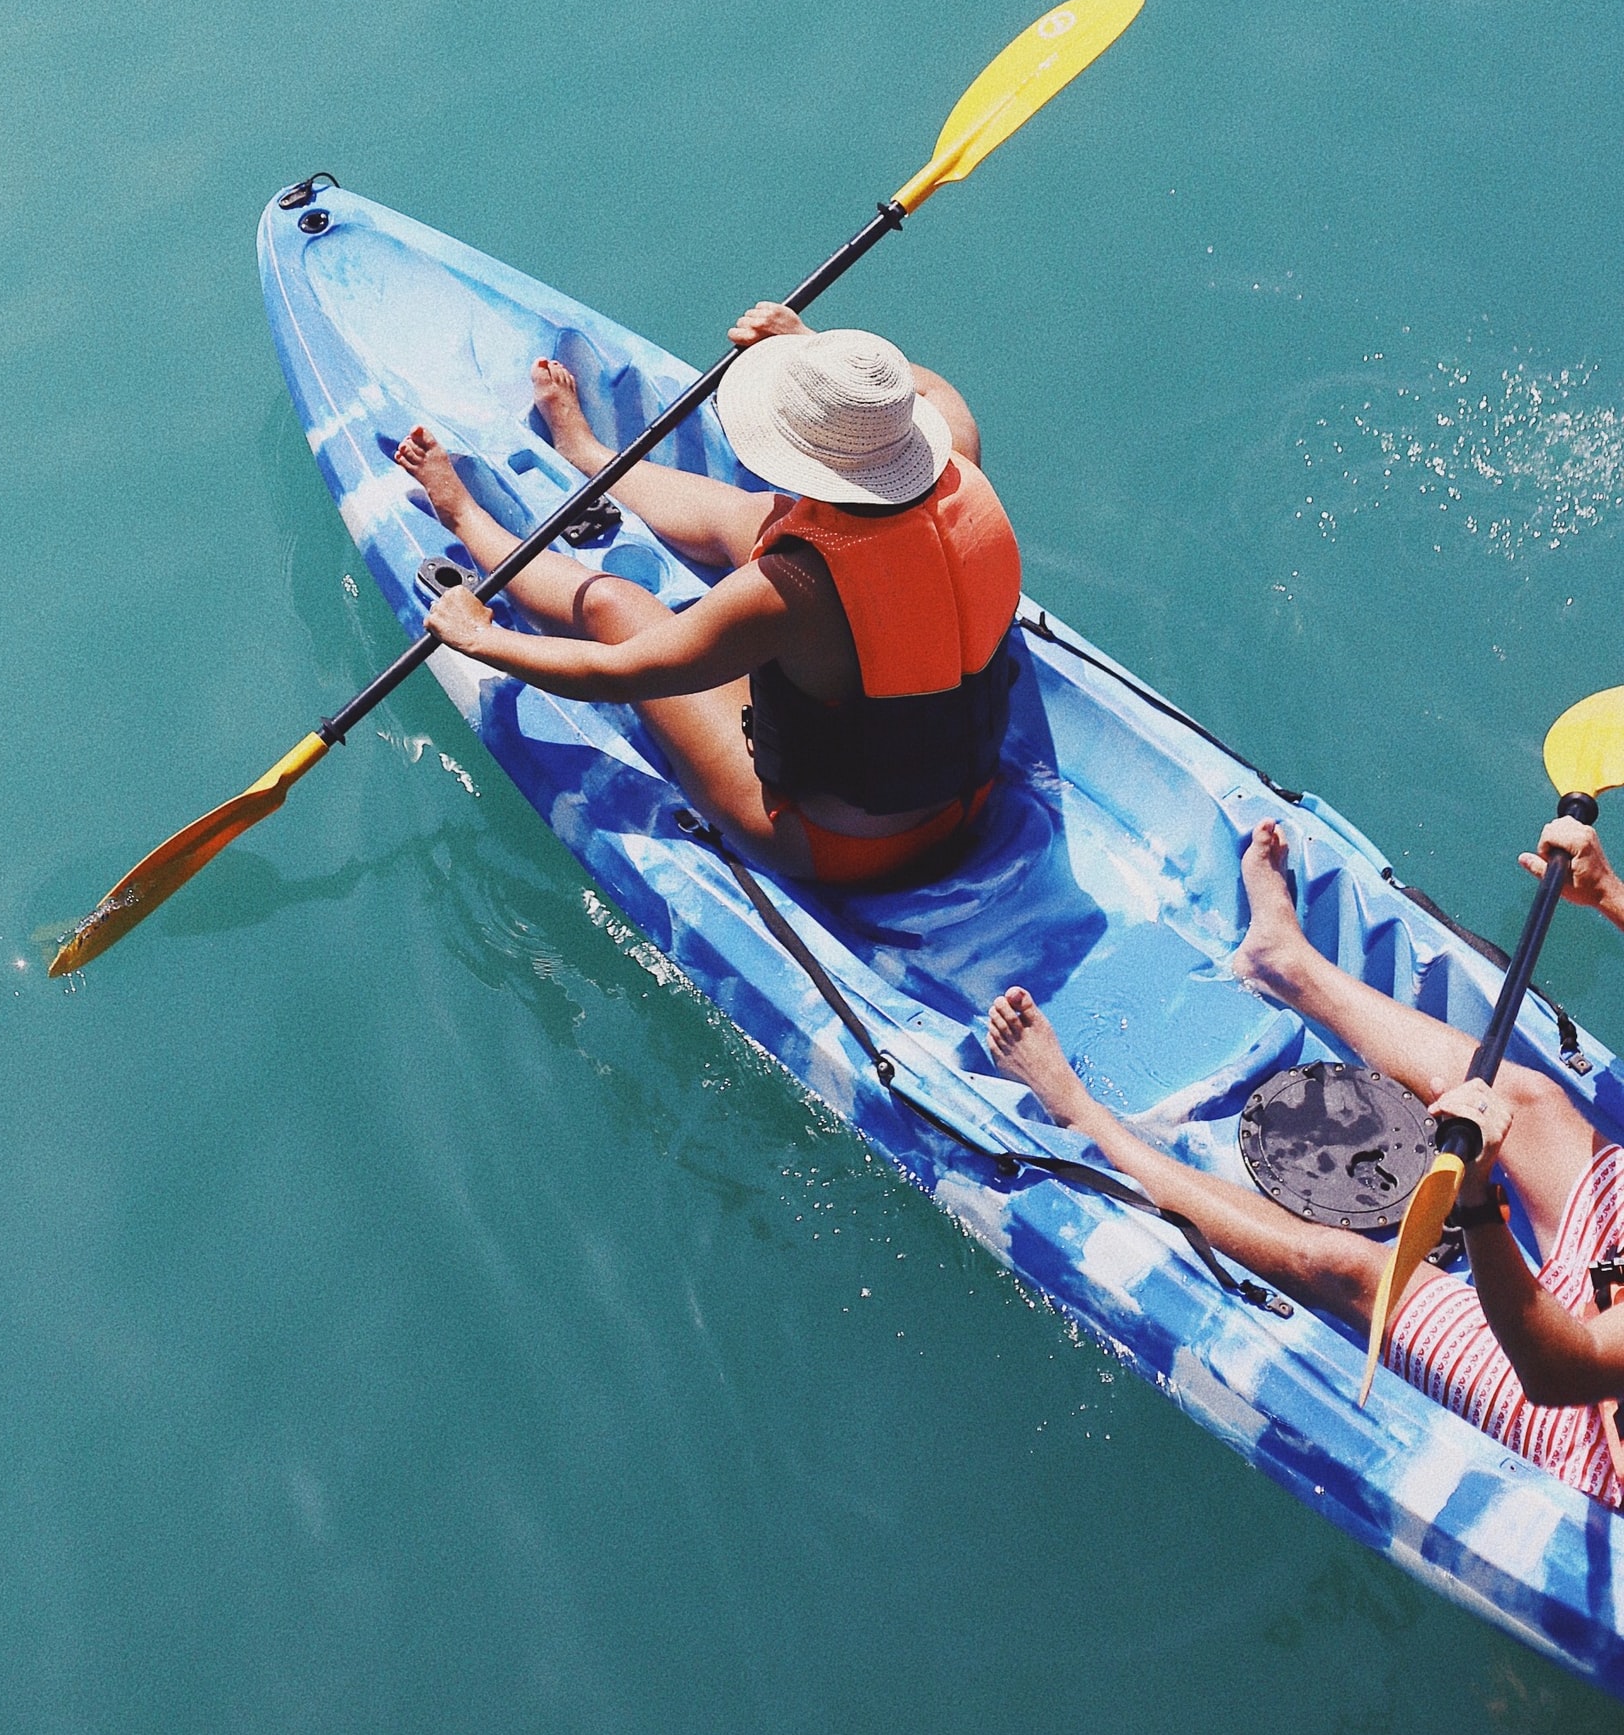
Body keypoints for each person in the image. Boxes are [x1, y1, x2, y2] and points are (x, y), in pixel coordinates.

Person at [986, 816, 1624, 1507]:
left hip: (1587, 1409)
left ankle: (1089, 1122)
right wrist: (1608, 893)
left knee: (1347, 1268)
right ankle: (1283, 960)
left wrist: (1474, 1202)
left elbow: (1563, 1368)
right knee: (1529, 1099)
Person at [399, 302, 1021, 885]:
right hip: (970, 790)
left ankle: (465, 519)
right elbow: (929, 392)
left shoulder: (790, 592)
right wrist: (811, 351)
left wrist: (479, 636)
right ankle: (590, 455)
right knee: (755, 516)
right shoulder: (958, 452)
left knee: (622, 610)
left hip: (838, 846)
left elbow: (615, 673)